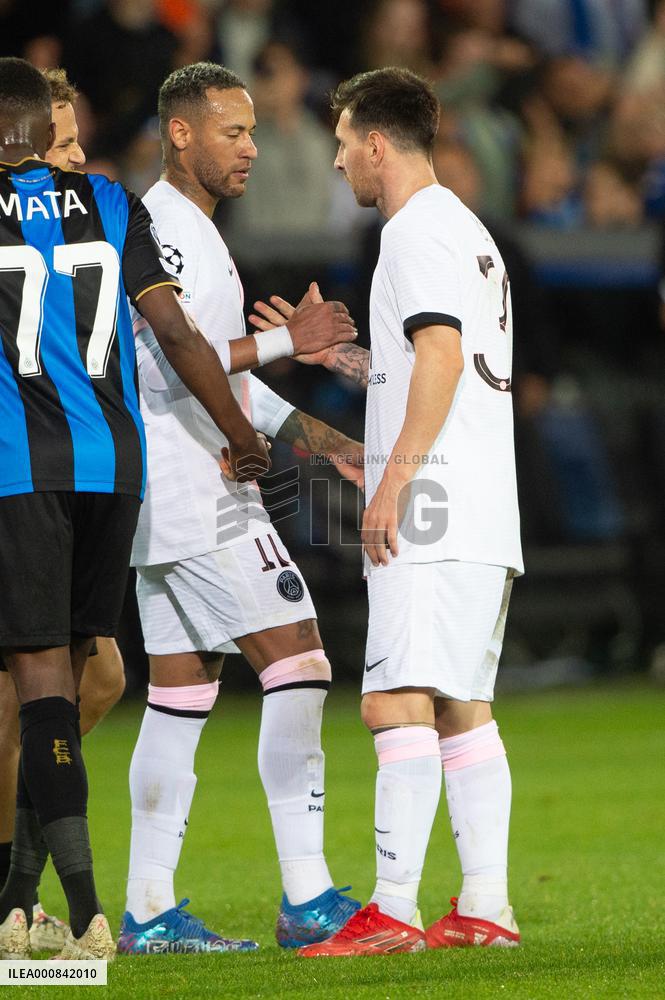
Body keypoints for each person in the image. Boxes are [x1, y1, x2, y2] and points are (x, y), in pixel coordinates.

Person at [0, 54, 284, 963]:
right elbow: (174, 330)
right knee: (87, 677)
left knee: (41, 686)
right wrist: (241, 433)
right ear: (46, 128)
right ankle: (19, 900)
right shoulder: (115, 203)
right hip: (113, 468)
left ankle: (80, 915)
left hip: (19, 466)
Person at [118, 62, 363, 956]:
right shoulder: (166, 233)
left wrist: (336, 449)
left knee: (181, 694)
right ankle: (310, 900)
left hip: (171, 491)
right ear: (180, 133)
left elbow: (221, 373)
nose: (252, 148)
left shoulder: (197, 234)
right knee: (298, 659)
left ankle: (147, 909)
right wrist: (282, 340)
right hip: (194, 487)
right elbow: (164, 363)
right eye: (233, 131)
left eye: (254, 131)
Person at [283, 66, 523, 955]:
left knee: (392, 700)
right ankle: (487, 907)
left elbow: (440, 358)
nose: (338, 158)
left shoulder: (414, 232)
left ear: (375, 143)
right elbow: (434, 363)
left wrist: (393, 483)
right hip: (481, 504)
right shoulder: (464, 228)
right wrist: (344, 363)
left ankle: (390, 909)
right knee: (462, 706)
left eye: (343, 142)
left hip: (435, 503)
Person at [0, 67, 127, 955]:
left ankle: (17, 901)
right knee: (31, 695)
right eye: (63, 144)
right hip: (70, 464)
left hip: (48, 468)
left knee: (78, 681)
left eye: (79, 142)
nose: (76, 158)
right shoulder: (113, 213)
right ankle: (48, 909)